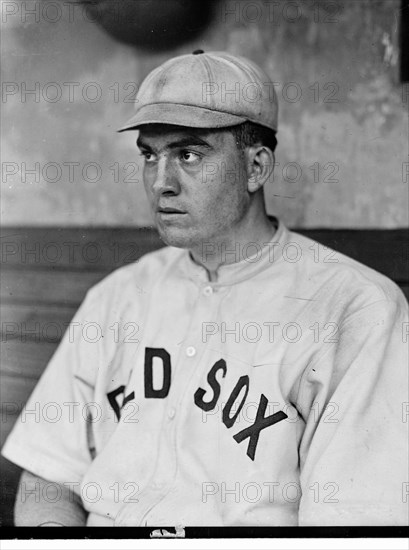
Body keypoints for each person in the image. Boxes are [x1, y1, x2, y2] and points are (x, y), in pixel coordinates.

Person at [2, 50, 408, 528]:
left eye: (188, 154)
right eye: (150, 155)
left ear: (256, 167)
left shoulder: (357, 309)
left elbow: (355, 525)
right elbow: (48, 479)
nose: (161, 183)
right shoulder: (119, 296)